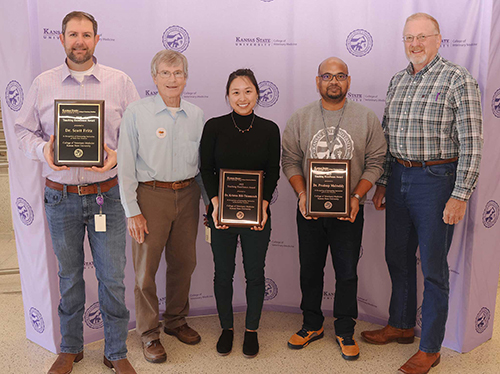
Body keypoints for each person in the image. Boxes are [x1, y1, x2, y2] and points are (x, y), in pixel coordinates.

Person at [14, 11, 139, 374]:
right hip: (60, 196)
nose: (79, 41)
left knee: (112, 278)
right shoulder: (43, 84)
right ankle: (70, 348)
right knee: (69, 277)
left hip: (108, 196)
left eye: (86, 34)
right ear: (62, 38)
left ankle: (116, 352)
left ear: (97, 39)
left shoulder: (120, 82)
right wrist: (45, 151)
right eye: (73, 34)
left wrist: (118, 156)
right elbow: (22, 132)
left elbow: (135, 136)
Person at [360, 13, 483, 374]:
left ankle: (429, 347)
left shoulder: (458, 79)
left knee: (433, 270)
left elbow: (473, 144)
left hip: (437, 180)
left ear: (438, 39)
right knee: (396, 257)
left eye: (421, 37)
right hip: (398, 177)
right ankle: (400, 325)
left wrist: (461, 194)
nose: (414, 44)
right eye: (408, 38)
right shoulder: (398, 80)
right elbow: (386, 133)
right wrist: (383, 180)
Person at [282, 57, 386, 360]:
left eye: (340, 76)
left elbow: (376, 162)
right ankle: (311, 324)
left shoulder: (366, 118)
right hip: (309, 211)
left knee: (347, 273)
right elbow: (289, 159)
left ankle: (344, 328)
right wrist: (302, 194)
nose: (333, 82)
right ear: (317, 81)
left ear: (349, 81)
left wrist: (356, 197)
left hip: (349, 211)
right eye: (327, 76)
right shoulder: (301, 118)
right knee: (310, 270)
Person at [118, 50, 205, 364]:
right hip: (150, 197)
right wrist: (132, 210)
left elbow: (202, 165)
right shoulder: (137, 113)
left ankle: (176, 320)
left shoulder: (197, 115)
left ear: (185, 77)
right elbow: (125, 164)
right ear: (154, 77)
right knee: (146, 271)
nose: (172, 79)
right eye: (166, 73)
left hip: (189, 193)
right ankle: (148, 332)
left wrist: (210, 203)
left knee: (185, 262)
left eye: (178, 73)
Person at [200, 69, 280, 358]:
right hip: (221, 213)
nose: (242, 97)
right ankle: (226, 328)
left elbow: (272, 171)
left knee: (255, 274)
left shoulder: (270, 129)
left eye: (248, 91)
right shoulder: (214, 126)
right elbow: (205, 169)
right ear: (227, 96)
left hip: (256, 214)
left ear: (257, 93)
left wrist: (264, 203)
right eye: (236, 92)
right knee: (223, 273)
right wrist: (215, 202)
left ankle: (251, 331)